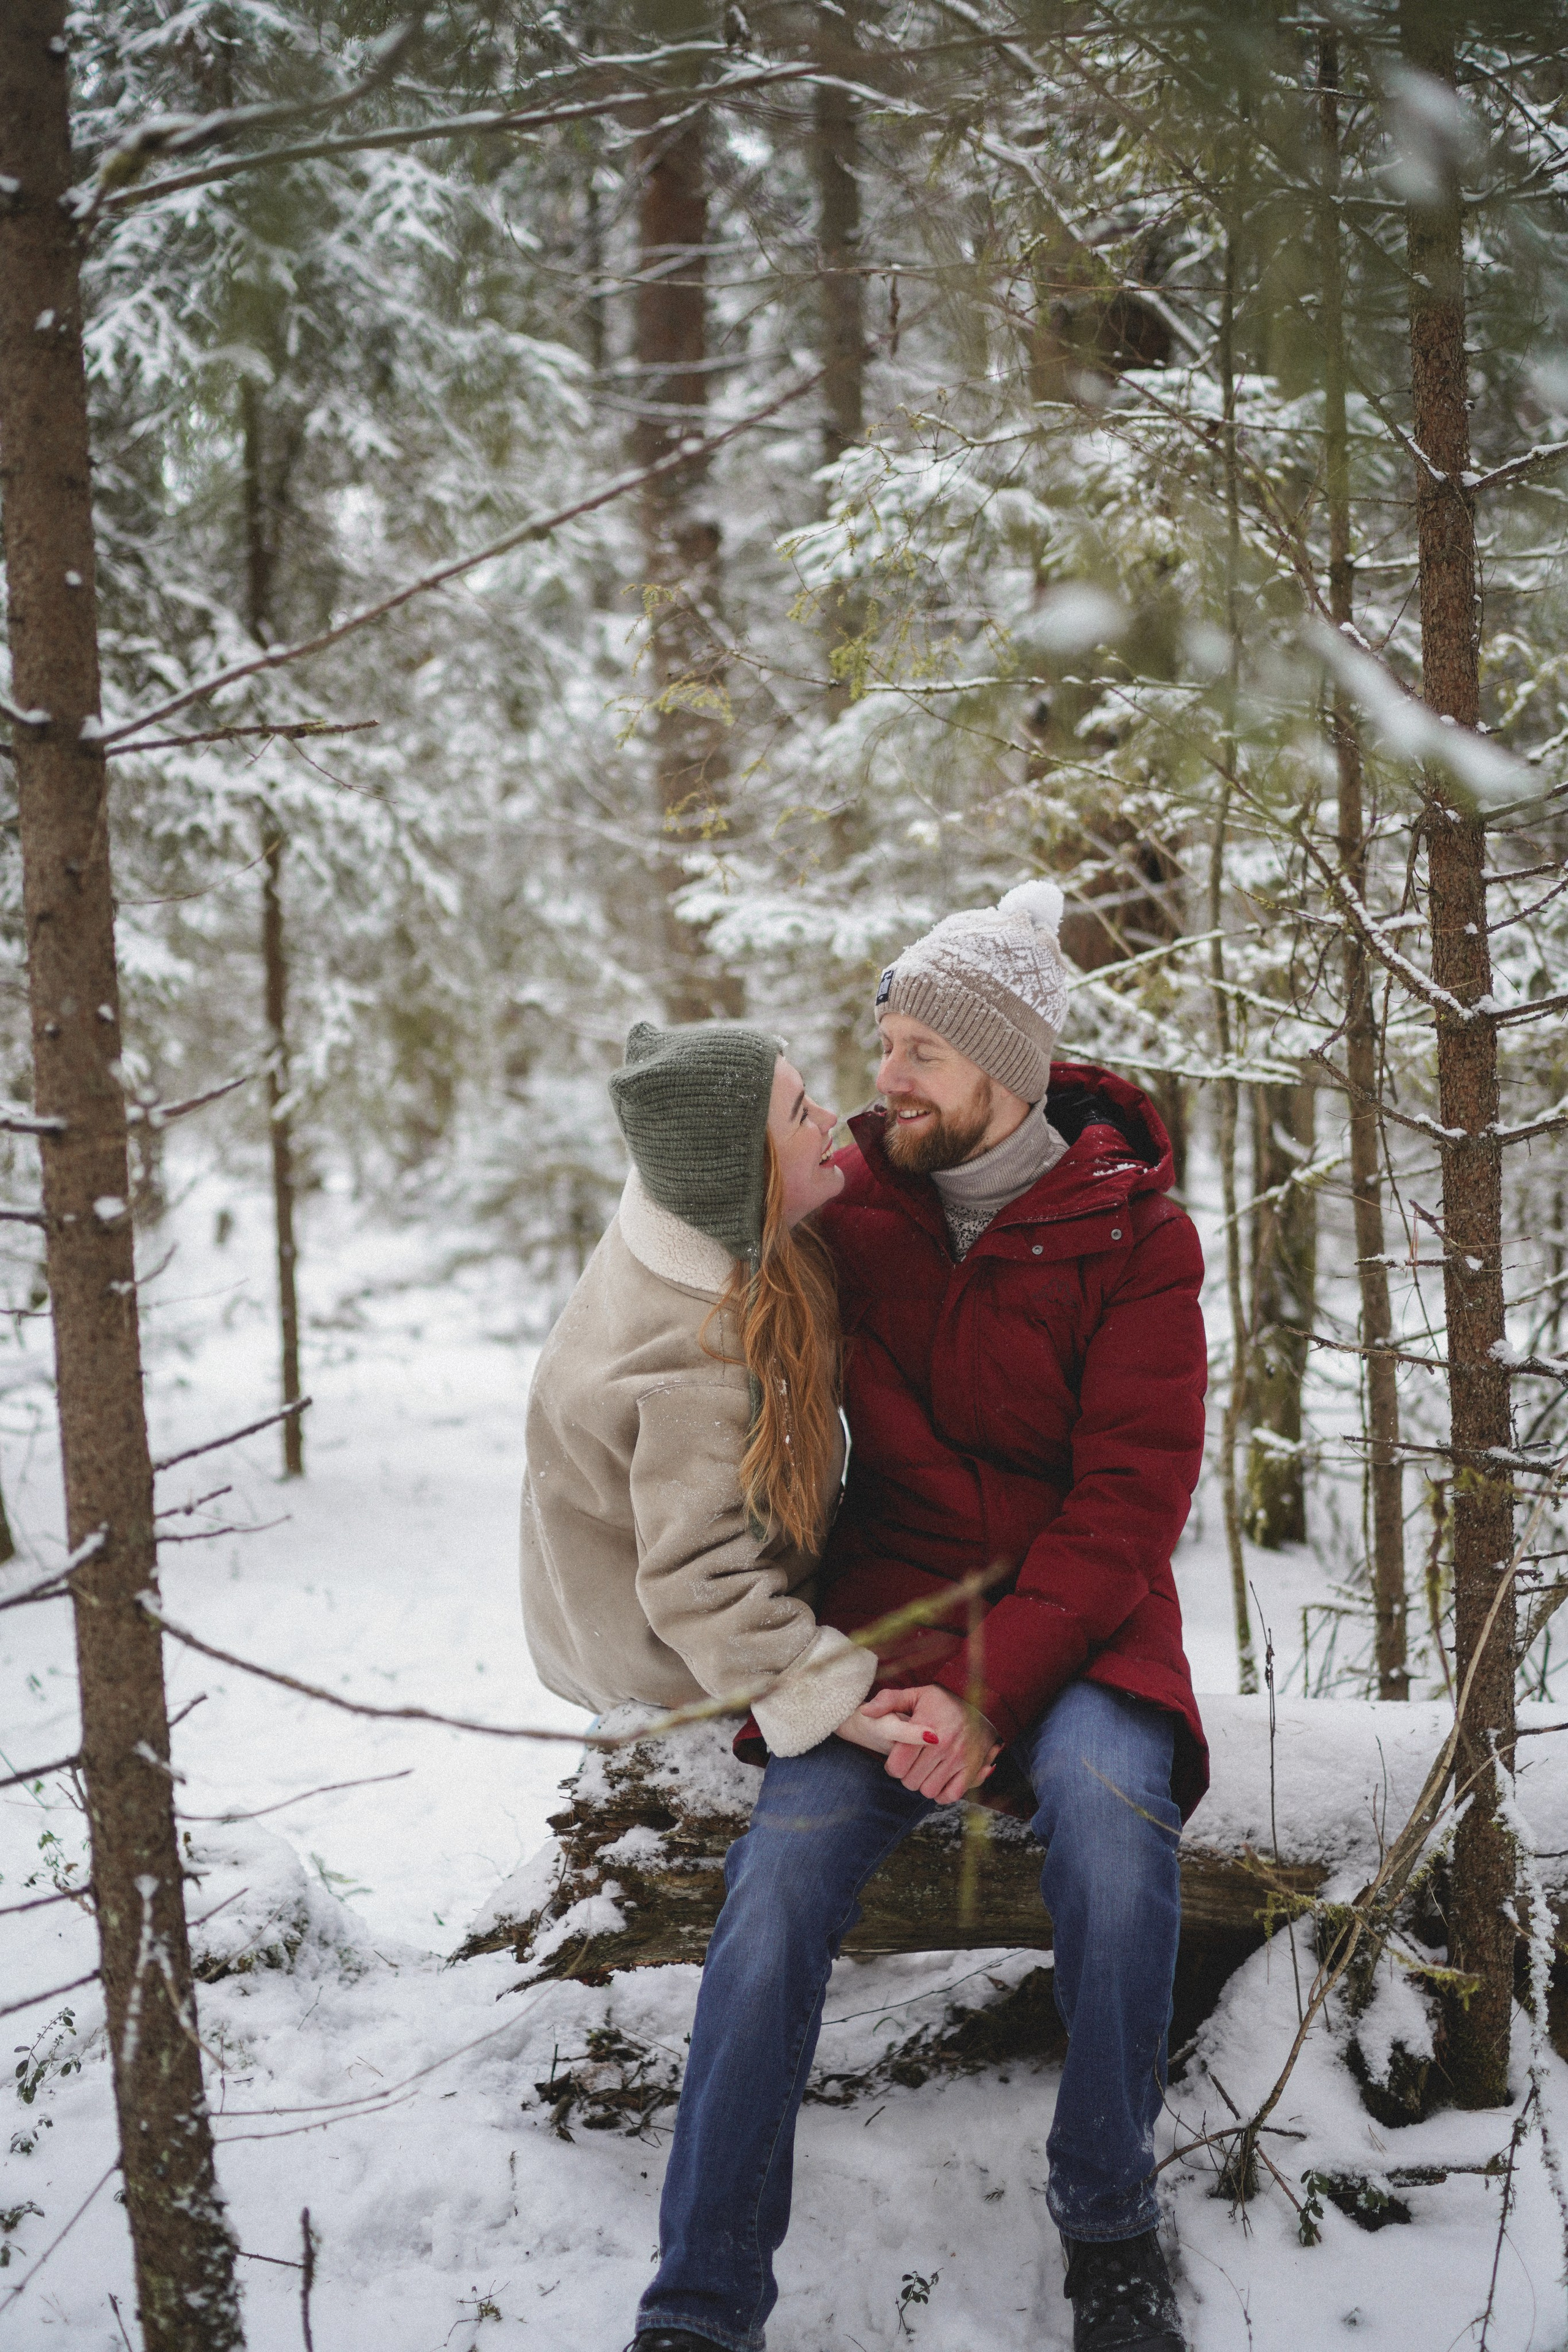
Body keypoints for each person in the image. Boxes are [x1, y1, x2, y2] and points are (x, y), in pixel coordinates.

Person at [630, 884, 1208, 2352]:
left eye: (915, 1056)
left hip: (1080, 1621)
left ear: (1004, 1069)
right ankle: (700, 2298)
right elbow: (695, 1243)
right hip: (882, 1623)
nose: (880, 1081)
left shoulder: (1140, 1240)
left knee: (1110, 1820)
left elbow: (1126, 1505)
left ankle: (1105, 2211)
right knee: (774, 1895)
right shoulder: (856, 1210)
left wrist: (993, 1695)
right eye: (880, 1042)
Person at [521, 1016, 912, 1788]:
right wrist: (828, 1695)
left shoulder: (699, 1213)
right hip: (669, 1675)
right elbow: (698, 1581)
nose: (830, 1118)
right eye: (801, 1114)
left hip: (658, 1624)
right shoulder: (693, 1368)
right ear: (746, 1175)